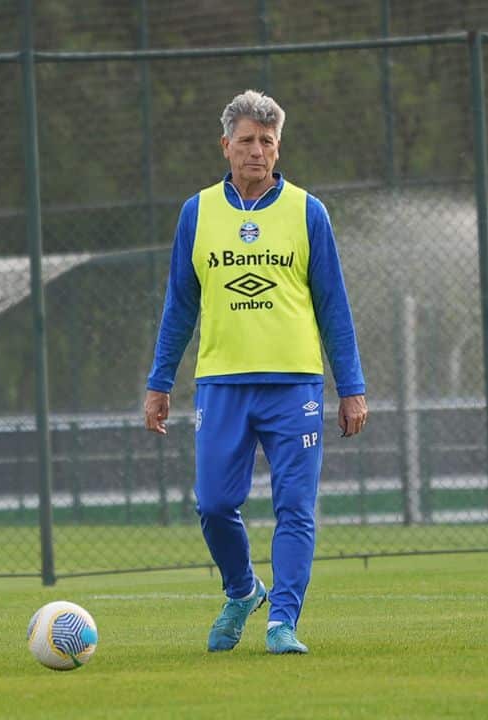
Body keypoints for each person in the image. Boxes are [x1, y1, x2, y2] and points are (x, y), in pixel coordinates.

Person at [143, 90, 367, 655]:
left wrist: (352, 387)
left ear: (278, 145)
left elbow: (333, 306)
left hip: (295, 385)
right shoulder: (197, 213)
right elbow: (179, 305)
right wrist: (159, 381)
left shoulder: (308, 211)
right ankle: (243, 591)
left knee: (295, 505)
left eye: (267, 141)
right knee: (214, 503)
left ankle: (282, 621)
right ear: (225, 146)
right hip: (221, 383)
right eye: (246, 141)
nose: (257, 151)